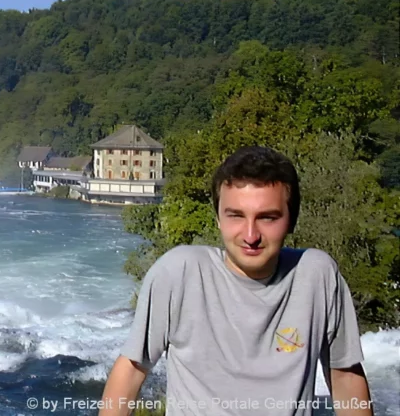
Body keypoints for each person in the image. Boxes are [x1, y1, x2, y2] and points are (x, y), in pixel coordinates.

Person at [100, 146, 373, 415]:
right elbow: (132, 369)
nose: (250, 235)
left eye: (267, 217)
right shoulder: (179, 273)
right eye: (236, 216)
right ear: (218, 217)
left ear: (291, 220)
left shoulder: (317, 276)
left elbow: (345, 376)